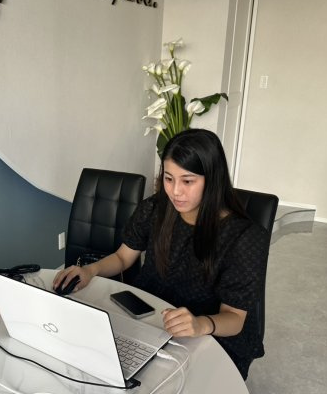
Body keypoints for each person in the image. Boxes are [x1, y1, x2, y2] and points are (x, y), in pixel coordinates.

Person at [53, 128, 269, 379]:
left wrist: (200, 324)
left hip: (210, 333)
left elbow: (235, 318)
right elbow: (123, 257)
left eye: (187, 181)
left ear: (213, 180)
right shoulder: (156, 208)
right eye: (168, 178)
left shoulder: (245, 236)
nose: (175, 191)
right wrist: (90, 270)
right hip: (152, 315)